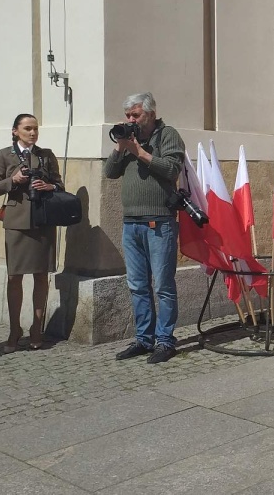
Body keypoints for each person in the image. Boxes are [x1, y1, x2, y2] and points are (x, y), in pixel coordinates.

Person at [104, 92, 186, 364]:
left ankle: (165, 340)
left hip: (159, 221)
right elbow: (110, 173)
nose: (130, 119)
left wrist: (139, 152)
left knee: (163, 284)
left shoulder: (167, 135)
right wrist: (121, 146)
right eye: (128, 115)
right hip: (131, 223)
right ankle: (143, 338)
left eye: (135, 115)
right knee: (138, 285)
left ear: (150, 114)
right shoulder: (128, 140)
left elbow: (173, 168)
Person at [0, 114, 64, 353]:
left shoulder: (46, 155)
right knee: (14, 277)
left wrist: (50, 186)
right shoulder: (4, 154)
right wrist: (14, 179)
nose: (33, 133)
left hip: (43, 221)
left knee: (41, 275)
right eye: (28, 129)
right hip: (17, 222)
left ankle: (36, 328)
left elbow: (60, 184)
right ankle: (14, 329)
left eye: (36, 129)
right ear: (15, 131)